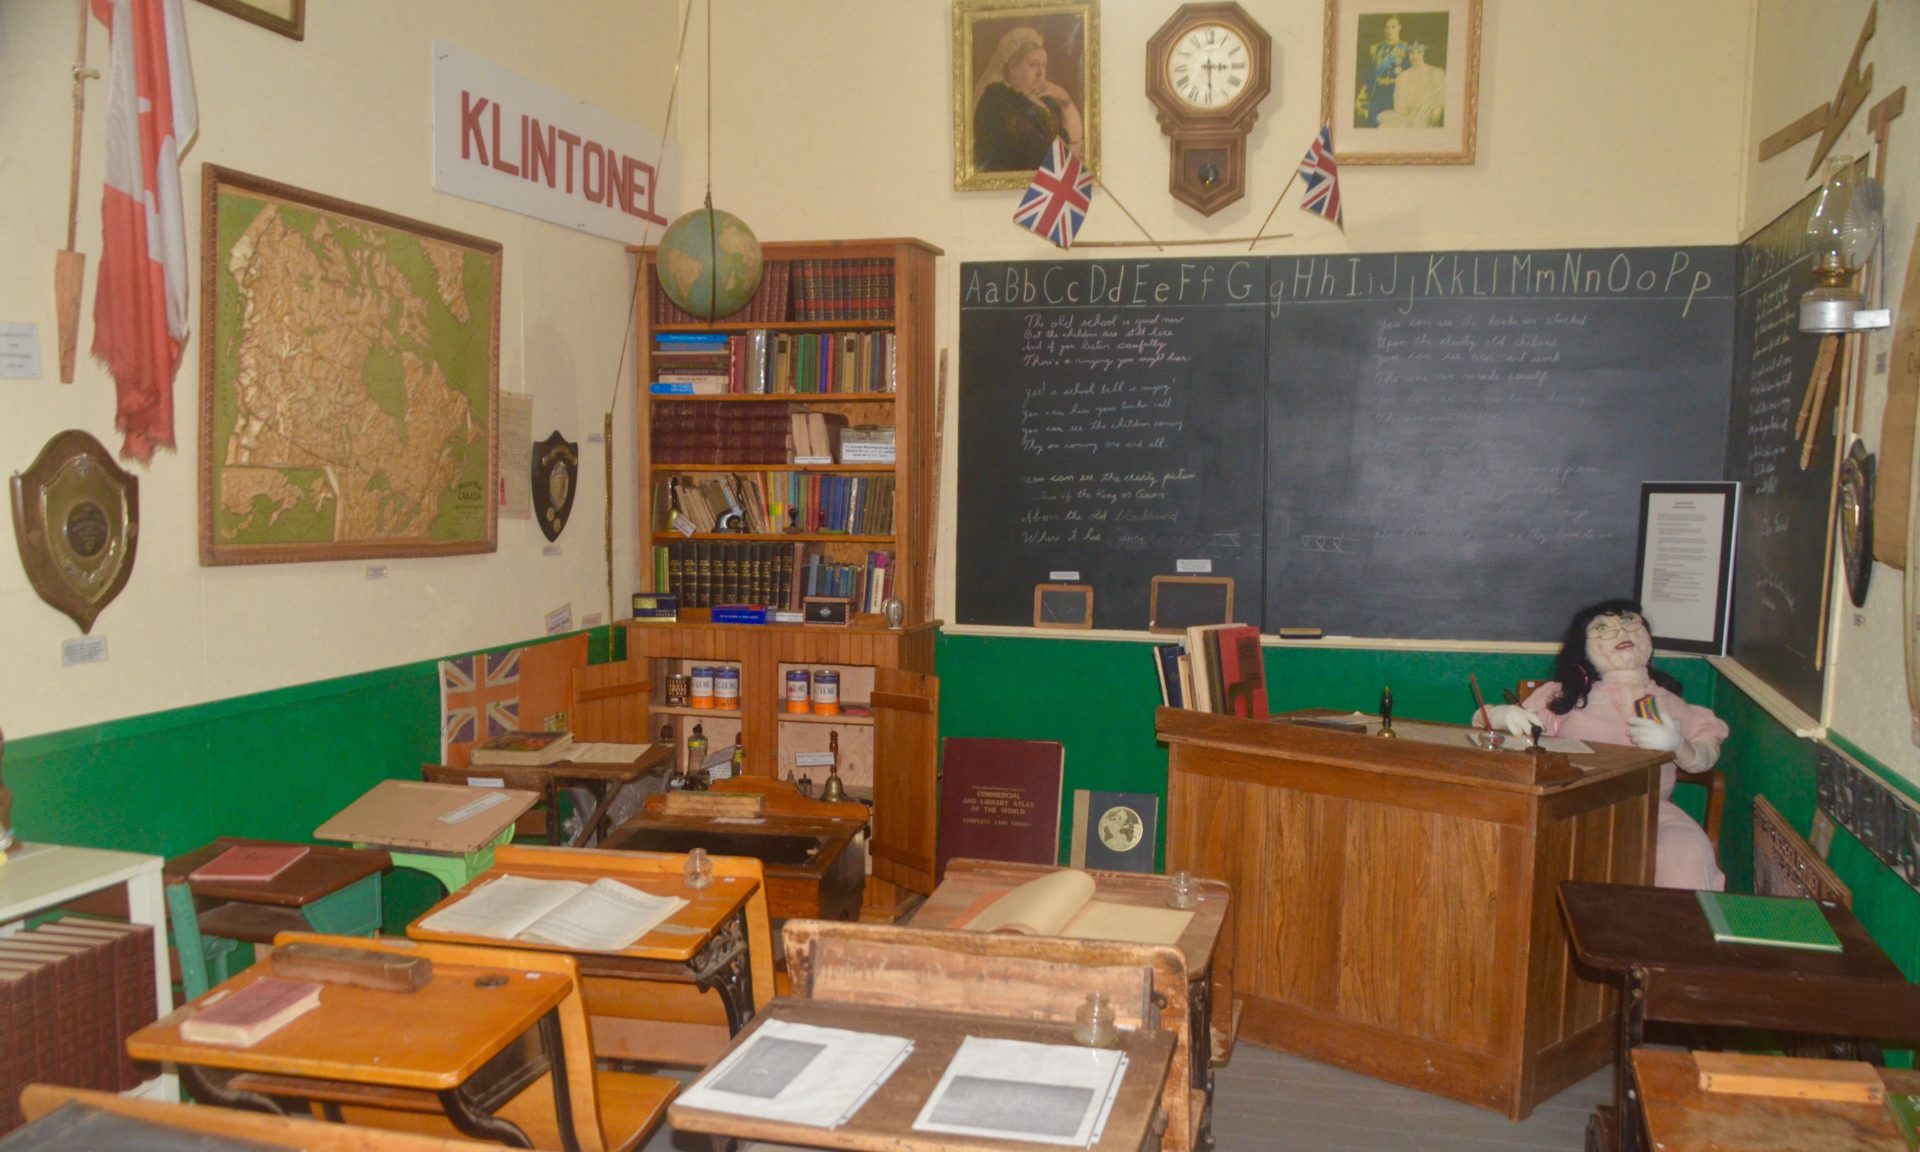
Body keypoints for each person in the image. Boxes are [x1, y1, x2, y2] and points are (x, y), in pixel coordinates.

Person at [1480, 598, 1728, 890]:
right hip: (1574, 813)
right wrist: (1501, 716)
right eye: (1602, 627)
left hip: (1651, 813)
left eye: (1628, 622)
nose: (1620, 633)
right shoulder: (1562, 699)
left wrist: (1679, 745)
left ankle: (1675, 933)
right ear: (1583, 650)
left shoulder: (1669, 702)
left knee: (1686, 853)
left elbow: (1705, 753)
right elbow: (1486, 734)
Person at [972, 25, 1084, 173]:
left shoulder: (1045, 101)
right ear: (1013, 69)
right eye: (1033, 65)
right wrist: (1069, 153)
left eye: (1043, 65)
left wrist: (1064, 97)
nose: (1040, 73)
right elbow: (1029, 148)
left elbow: (1074, 140)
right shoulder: (996, 100)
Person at [1376, 41, 1445, 128]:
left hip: (1426, 116)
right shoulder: (1403, 76)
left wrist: (1436, 110)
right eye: (1411, 53)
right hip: (1406, 116)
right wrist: (1406, 111)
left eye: (1419, 52)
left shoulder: (1434, 73)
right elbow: (1399, 104)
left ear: (1424, 53)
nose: (1415, 56)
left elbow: (1439, 97)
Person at [1359, 16, 1410, 128]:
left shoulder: (1406, 49)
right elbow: (1371, 73)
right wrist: (1365, 94)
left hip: (1396, 95)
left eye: (1393, 27)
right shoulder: (1376, 49)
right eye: (1387, 27)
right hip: (1378, 95)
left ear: (1399, 28)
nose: (1390, 31)